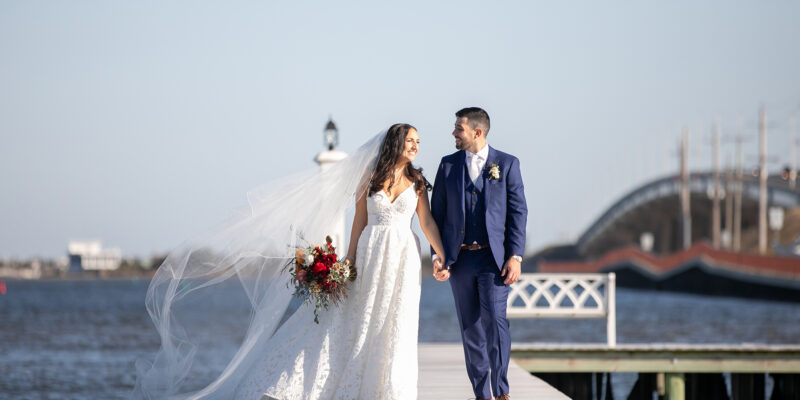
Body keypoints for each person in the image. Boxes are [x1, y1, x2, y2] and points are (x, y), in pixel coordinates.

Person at [132, 123, 446, 399]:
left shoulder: (417, 181)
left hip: (401, 257)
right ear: (395, 143)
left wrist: (440, 254)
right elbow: (358, 223)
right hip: (370, 252)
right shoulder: (370, 179)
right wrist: (349, 260)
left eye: (417, 141)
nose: (416, 146)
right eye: (410, 140)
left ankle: (388, 388)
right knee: (357, 319)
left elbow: (427, 222)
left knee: (393, 321)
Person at [430, 107, 528, 400]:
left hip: (493, 260)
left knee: (496, 322)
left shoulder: (507, 164)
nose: (453, 134)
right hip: (459, 261)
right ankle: (481, 395)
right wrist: (438, 257)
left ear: (477, 132)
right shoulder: (447, 166)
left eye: (458, 129)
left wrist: (516, 255)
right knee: (470, 329)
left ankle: (501, 392)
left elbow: (518, 211)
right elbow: (437, 216)